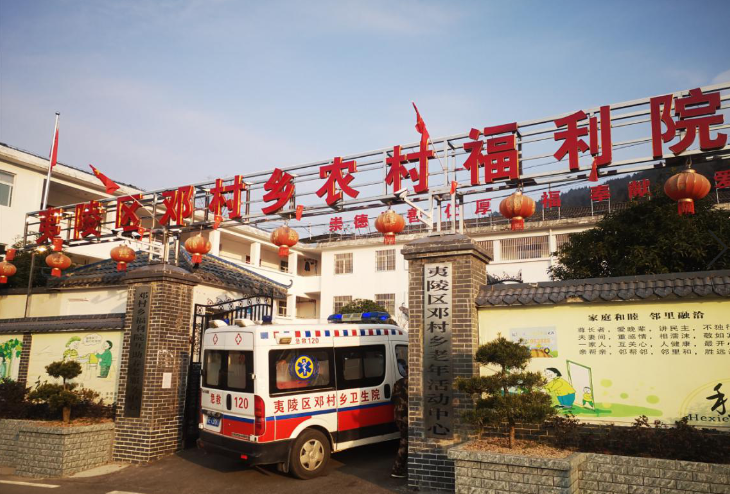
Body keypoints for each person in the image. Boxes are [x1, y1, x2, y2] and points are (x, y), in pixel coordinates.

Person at [391, 359, 408, 478]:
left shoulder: (397, 383)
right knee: (405, 443)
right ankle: (397, 469)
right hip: (407, 416)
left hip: (398, 416)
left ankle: (400, 468)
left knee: (404, 440)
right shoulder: (414, 383)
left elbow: (393, 399)